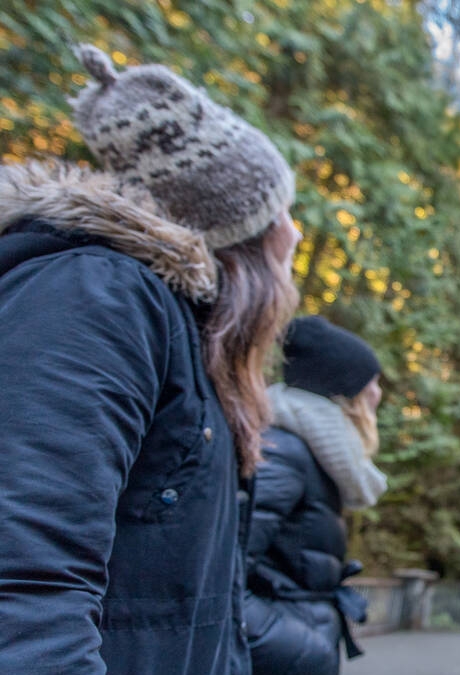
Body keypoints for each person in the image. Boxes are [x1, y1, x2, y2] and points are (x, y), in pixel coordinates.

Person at [0, 45, 300, 674]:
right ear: (239, 236)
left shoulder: (190, 342)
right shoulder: (94, 297)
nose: (295, 233)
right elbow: (26, 587)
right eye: (279, 214)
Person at [245, 315, 388, 675]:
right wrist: (303, 647)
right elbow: (219, 579)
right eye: (370, 383)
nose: (377, 394)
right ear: (345, 393)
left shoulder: (312, 457)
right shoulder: (283, 454)